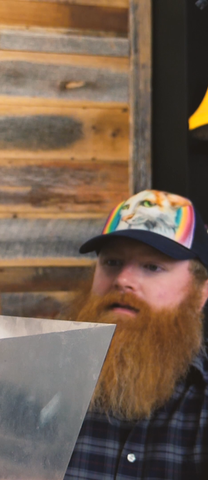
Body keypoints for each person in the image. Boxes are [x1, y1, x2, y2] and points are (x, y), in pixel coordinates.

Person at [63, 189, 208, 479]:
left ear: (200, 293)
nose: (123, 280)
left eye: (152, 266)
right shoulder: (46, 382)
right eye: (112, 262)